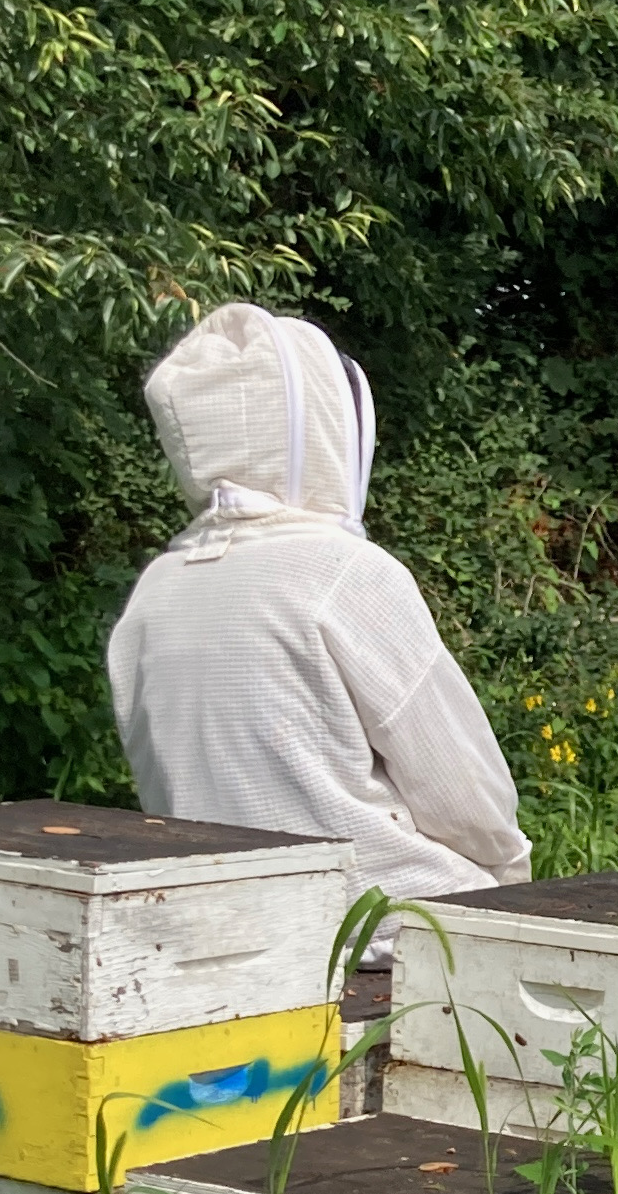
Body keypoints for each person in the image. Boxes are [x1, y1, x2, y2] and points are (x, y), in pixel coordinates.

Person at [108, 303, 530, 904]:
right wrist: (510, 882)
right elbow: (462, 790)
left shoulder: (156, 588)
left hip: (215, 912)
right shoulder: (347, 574)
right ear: (324, 429)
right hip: (385, 921)